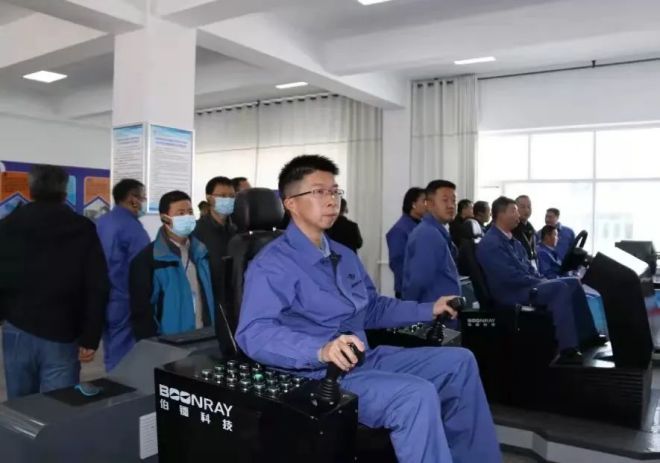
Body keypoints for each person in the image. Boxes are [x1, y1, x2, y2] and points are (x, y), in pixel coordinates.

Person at [236, 155, 501, 463]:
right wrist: (320, 350)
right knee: (415, 395)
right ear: (291, 203)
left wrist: (429, 309)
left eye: (335, 191)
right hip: (318, 375)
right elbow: (254, 332)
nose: (331, 200)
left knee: (460, 362)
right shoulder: (273, 264)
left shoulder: (343, 255)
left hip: (364, 360)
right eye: (319, 191)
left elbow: (372, 308)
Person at [0, 165, 109, 398]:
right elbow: (96, 284)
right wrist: (91, 336)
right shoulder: (81, 227)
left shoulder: (8, 225)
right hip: (63, 329)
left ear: (31, 189)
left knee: (19, 406)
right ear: (64, 190)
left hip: (17, 326)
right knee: (59, 405)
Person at [476, 196, 605, 364]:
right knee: (559, 288)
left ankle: (588, 336)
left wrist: (539, 279)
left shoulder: (513, 241)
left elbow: (529, 268)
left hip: (525, 285)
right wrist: (539, 282)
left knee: (573, 282)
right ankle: (567, 349)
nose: (518, 215)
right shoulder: (490, 243)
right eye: (514, 211)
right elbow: (508, 277)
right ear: (500, 214)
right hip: (511, 292)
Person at [130, 191, 216, 340]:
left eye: (190, 212)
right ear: (165, 218)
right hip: (169, 343)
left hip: (205, 336)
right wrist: (155, 345)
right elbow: (142, 313)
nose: (187, 217)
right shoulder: (148, 260)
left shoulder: (202, 253)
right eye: (180, 213)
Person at [95, 179, 151, 371]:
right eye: (142, 197)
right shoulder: (132, 228)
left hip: (102, 297)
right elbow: (143, 266)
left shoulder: (102, 221)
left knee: (111, 347)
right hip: (124, 299)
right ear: (132, 199)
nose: (143, 202)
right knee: (124, 354)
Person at [402, 180, 461, 317]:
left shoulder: (436, 231)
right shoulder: (427, 234)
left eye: (454, 200)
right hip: (432, 316)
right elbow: (418, 282)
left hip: (441, 314)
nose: (451, 205)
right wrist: (412, 313)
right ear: (429, 204)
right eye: (445, 200)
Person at [193, 176, 237, 318]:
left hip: (234, 303)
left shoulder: (238, 231)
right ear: (209, 198)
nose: (228, 200)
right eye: (223, 196)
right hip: (208, 305)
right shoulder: (196, 231)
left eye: (232, 196)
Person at [386, 187, 426, 298]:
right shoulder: (400, 230)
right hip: (410, 290)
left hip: (425, 289)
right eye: (424, 201)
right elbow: (398, 264)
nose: (428, 205)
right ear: (413, 204)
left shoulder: (424, 226)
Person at [512, 195, 537, 263]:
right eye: (522, 207)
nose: (526, 210)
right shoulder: (511, 229)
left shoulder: (532, 230)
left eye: (529, 207)